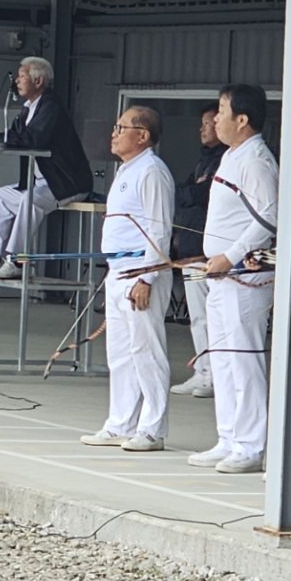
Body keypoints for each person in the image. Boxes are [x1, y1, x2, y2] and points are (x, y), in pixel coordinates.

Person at [187, 83, 277, 476]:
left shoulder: (256, 159)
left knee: (243, 359)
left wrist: (231, 255)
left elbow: (270, 216)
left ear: (242, 119)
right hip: (220, 274)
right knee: (222, 358)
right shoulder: (231, 155)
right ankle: (229, 437)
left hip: (242, 276)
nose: (216, 120)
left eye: (222, 112)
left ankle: (251, 445)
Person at [79, 106, 176, 452]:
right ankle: (120, 423)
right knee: (120, 352)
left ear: (143, 136)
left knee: (146, 350)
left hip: (140, 271)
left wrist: (147, 278)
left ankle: (152, 428)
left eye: (121, 127)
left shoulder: (151, 171)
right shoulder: (126, 169)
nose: (114, 133)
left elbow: (159, 229)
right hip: (118, 270)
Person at [0, 57, 93, 279]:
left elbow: (33, 140)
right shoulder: (29, 108)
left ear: (38, 81)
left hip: (66, 182)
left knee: (30, 200)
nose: (17, 81)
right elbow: (14, 136)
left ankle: (17, 262)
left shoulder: (51, 106)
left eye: (22, 76)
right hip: (45, 181)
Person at [170, 104, 223, 398]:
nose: (202, 129)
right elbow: (184, 191)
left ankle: (214, 375)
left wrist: (192, 192)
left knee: (210, 315)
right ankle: (203, 370)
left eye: (208, 122)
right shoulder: (203, 162)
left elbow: (201, 194)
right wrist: (191, 192)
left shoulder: (225, 159)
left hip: (209, 252)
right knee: (198, 315)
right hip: (192, 249)